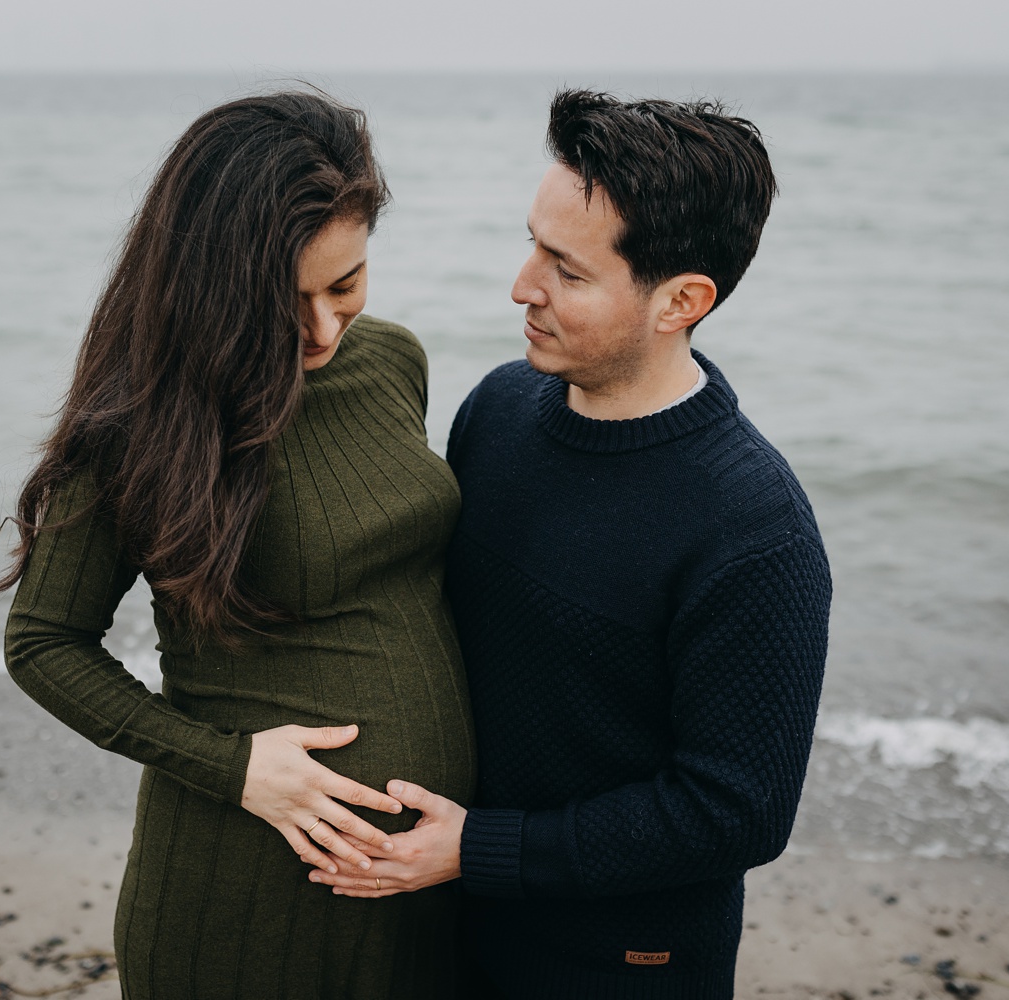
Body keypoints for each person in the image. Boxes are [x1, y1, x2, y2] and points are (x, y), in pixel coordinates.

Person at [307, 89, 832, 998]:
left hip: (617, 962)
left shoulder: (756, 530)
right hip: (441, 921)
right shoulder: (500, 410)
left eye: (567, 270)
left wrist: (479, 846)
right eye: (532, 244)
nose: (522, 286)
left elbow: (736, 814)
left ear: (681, 301)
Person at [0, 91, 477, 1000]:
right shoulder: (142, 423)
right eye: (286, 301)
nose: (325, 330)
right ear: (216, 280)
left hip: (420, 885)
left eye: (347, 284)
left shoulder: (393, 361)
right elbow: (43, 644)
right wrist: (238, 767)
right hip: (243, 890)